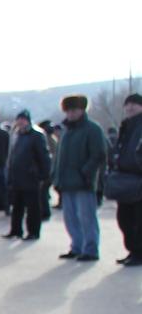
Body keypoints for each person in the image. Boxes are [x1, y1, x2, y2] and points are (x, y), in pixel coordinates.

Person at [53, 94, 109, 262]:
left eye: (74, 110)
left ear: (82, 110)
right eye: (68, 110)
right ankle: (76, 247)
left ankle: (91, 249)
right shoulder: (66, 131)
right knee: (70, 218)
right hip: (67, 182)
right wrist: (56, 177)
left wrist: (86, 173)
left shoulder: (92, 129)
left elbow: (98, 154)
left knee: (87, 218)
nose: (71, 114)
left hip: (84, 182)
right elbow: (59, 157)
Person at [4, 111, 51, 242]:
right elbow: (12, 156)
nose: (20, 122)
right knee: (17, 206)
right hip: (17, 177)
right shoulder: (16, 135)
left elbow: (44, 156)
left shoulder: (36, 135)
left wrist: (43, 174)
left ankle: (33, 231)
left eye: (23, 120)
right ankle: (16, 230)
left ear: (28, 121)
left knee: (33, 207)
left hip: (31, 177)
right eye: (18, 119)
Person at [113, 93, 142, 267]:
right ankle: (132, 250)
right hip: (125, 178)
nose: (130, 107)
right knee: (124, 218)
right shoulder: (126, 125)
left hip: (138, 178)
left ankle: (139, 252)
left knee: (138, 219)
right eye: (128, 104)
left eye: (135, 104)